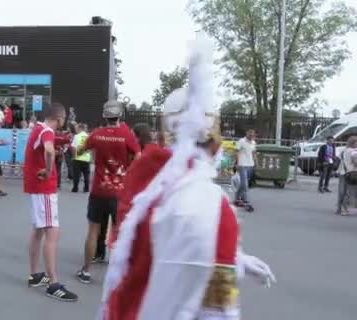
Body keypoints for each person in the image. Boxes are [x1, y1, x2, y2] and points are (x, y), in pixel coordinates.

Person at [99, 44, 275, 319]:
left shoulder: (148, 184)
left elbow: (160, 249)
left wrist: (234, 258)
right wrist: (228, 258)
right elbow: (219, 309)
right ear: (214, 136)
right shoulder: (210, 204)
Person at [75, 100, 141, 284]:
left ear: (105, 116)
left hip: (98, 190)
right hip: (119, 191)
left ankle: (86, 271)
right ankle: (119, 274)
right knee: (119, 232)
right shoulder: (127, 135)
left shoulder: (97, 134)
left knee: (93, 232)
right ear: (119, 115)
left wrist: (93, 155)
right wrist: (128, 170)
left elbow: (80, 150)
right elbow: (139, 157)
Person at [24, 102, 78, 302]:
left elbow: (48, 147)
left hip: (36, 188)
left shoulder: (39, 128)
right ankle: (53, 284)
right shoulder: (46, 131)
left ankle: (35, 274)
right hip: (43, 188)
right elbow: (47, 149)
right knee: (52, 231)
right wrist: (48, 169)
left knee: (38, 229)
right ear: (60, 118)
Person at [235, 129, 257, 207]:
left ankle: (237, 197)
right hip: (242, 164)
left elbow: (254, 153)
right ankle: (245, 199)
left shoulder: (253, 142)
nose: (251, 136)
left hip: (250, 164)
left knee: (243, 183)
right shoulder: (241, 141)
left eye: (253, 135)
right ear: (246, 134)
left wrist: (256, 163)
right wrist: (237, 163)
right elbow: (236, 152)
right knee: (245, 183)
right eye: (250, 135)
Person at [337, 136, 357, 215]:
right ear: (353, 143)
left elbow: (339, 159)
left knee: (342, 191)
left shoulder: (343, 151)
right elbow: (356, 162)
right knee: (350, 192)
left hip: (343, 172)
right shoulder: (354, 151)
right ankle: (344, 208)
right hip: (353, 173)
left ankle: (340, 207)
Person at [71, 123, 91, 193]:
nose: (76, 130)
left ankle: (75, 188)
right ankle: (86, 188)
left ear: (80, 128)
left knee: (76, 174)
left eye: (77, 128)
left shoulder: (76, 136)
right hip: (86, 158)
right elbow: (90, 148)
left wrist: (74, 156)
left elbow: (73, 147)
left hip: (78, 158)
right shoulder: (88, 136)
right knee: (86, 174)